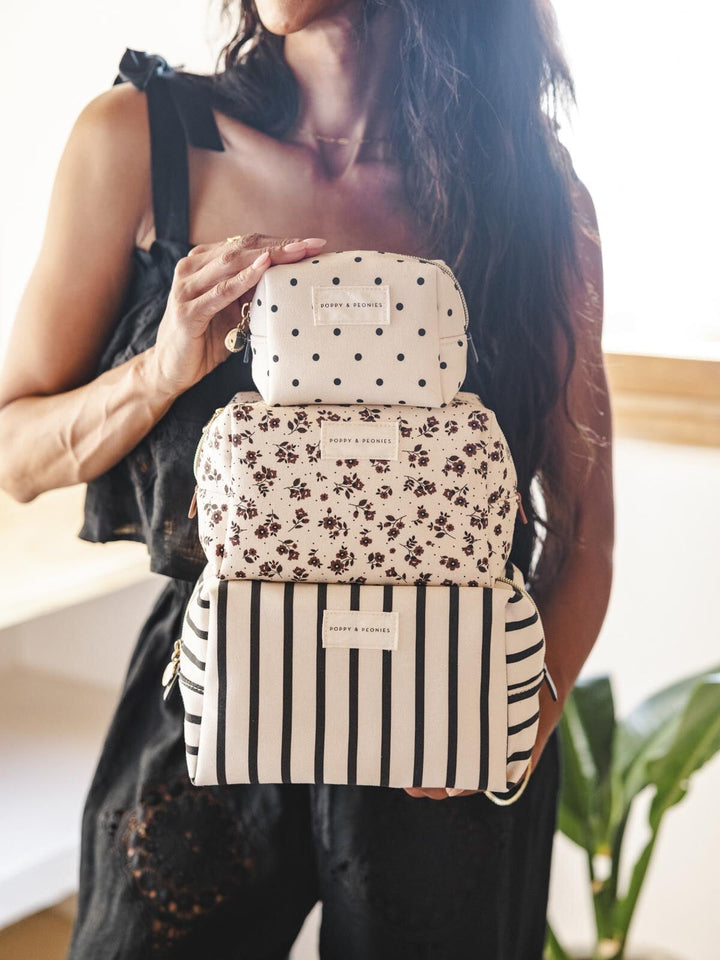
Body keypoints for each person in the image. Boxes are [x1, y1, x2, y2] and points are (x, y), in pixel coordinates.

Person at [0, 1, 614, 957]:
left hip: (445, 714)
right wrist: (162, 370)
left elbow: (586, 530)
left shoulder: (534, 195)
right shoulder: (138, 140)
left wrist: (523, 722)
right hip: (209, 693)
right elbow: (15, 453)